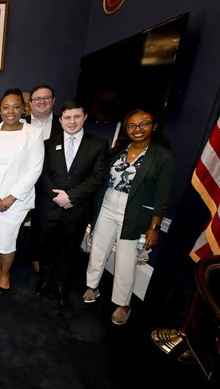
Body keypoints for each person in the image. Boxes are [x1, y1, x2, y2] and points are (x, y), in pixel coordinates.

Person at [84, 109, 175, 325]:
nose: (137, 129)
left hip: (134, 211)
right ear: (126, 130)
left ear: (154, 126)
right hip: (107, 203)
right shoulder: (117, 151)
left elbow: (163, 196)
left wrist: (154, 227)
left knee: (126, 258)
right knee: (98, 248)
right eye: (132, 125)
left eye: (143, 124)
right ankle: (92, 286)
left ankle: (123, 303)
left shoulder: (163, 156)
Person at [35, 100, 109, 306]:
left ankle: (61, 285)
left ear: (84, 117)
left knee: (69, 249)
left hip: (77, 209)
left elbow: (98, 177)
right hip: (49, 207)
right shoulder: (48, 144)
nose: (72, 121)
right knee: (46, 247)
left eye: (77, 116)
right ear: (61, 120)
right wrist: (56, 196)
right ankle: (44, 281)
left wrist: (71, 196)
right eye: (67, 117)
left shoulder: (98, 144)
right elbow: (41, 172)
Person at [0, 88, 44, 294]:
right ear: (0, 110)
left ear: (24, 109)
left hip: (16, 200)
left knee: (7, 238)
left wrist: (10, 198)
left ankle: (5, 273)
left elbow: (35, 168)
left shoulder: (33, 133)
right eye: (6, 107)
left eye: (15, 106)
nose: (10, 111)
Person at [22, 85, 63, 274]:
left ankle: (40, 259)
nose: (42, 102)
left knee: (42, 223)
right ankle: (19, 256)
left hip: (51, 184)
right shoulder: (20, 124)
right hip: (22, 182)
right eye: (37, 99)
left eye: (46, 98)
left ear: (53, 101)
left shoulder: (63, 125)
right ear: (30, 104)